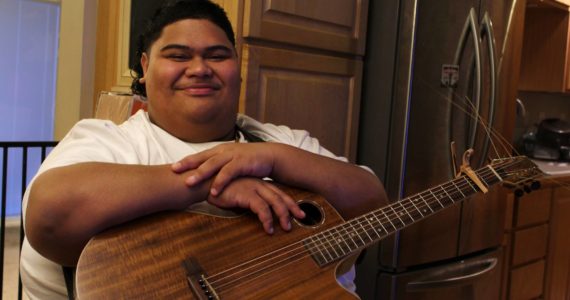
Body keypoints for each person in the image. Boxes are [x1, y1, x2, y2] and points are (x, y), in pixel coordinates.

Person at [20, 0, 387, 298]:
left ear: (236, 66)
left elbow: (371, 203)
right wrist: (211, 185)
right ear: (145, 67)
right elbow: (51, 216)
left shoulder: (281, 141)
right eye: (178, 56)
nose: (199, 68)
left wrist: (274, 158)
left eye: (217, 55)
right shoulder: (106, 142)